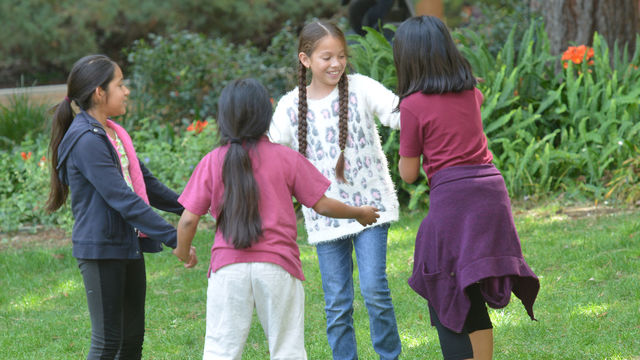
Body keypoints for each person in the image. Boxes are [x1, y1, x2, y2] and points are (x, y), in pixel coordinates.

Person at [173, 78, 380, 360]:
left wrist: (183, 251)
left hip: (227, 269)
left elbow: (187, 221)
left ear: (223, 118)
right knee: (287, 349)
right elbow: (322, 205)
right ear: (264, 115)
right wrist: (358, 212)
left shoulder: (212, 160)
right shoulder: (285, 158)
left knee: (220, 350)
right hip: (278, 267)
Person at [393, 16, 540, 360]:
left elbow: (410, 173)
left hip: (455, 198)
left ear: (408, 59)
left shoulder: (412, 105)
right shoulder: (471, 91)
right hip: (490, 192)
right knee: (468, 286)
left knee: (441, 282)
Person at [45, 54, 196, 360]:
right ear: (99, 92)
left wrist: (192, 208)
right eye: (120, 84)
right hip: (101, 250)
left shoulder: (112, 134)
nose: (126, 91)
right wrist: (174, 237)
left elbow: (147, 186)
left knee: (131, 341)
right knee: (106, 344)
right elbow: (122, 198)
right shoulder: (87, 140)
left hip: (127, 245)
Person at [269, 20, 402, 360]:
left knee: (374, 290)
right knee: (338, 303)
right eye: (326, 57)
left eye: (341, 56)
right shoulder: (289, 106)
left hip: (370, 210)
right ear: (305, 60)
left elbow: (398, 114)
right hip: (325, 217)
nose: (336, 64)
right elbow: (269, 152)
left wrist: (437, 96)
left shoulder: (360, 88)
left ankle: (389, 356)